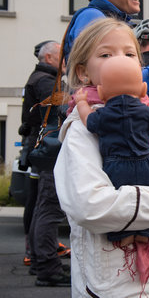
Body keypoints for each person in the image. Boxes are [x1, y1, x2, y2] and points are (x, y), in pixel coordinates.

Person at [54, 18, 149, 297]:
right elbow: (89, 205)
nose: (120, 61)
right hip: (111, 282)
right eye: (106, 54)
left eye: (130, 54)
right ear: (83, 73)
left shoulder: (145, 111)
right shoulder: (81, 128)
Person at [74, 55, 149, 249]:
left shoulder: (103, 114)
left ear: (101, 92)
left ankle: (125, 235)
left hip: (116, 166)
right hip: (146, 163)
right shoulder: (144, 111)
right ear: (143, 89)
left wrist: (82, 103)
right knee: (147, 196)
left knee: (124, 203)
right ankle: (145, 233)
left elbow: (89, 123)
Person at [22, 41, 71, 287]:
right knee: (49, 208)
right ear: (49, 57)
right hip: (51, 151)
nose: (65, 60)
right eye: (61, 56)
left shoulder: (40, 77)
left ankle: (42, 261)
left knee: (43, 207)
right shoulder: (45, 81)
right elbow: (61, 109)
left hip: (44, 150)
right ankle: (48, 268)